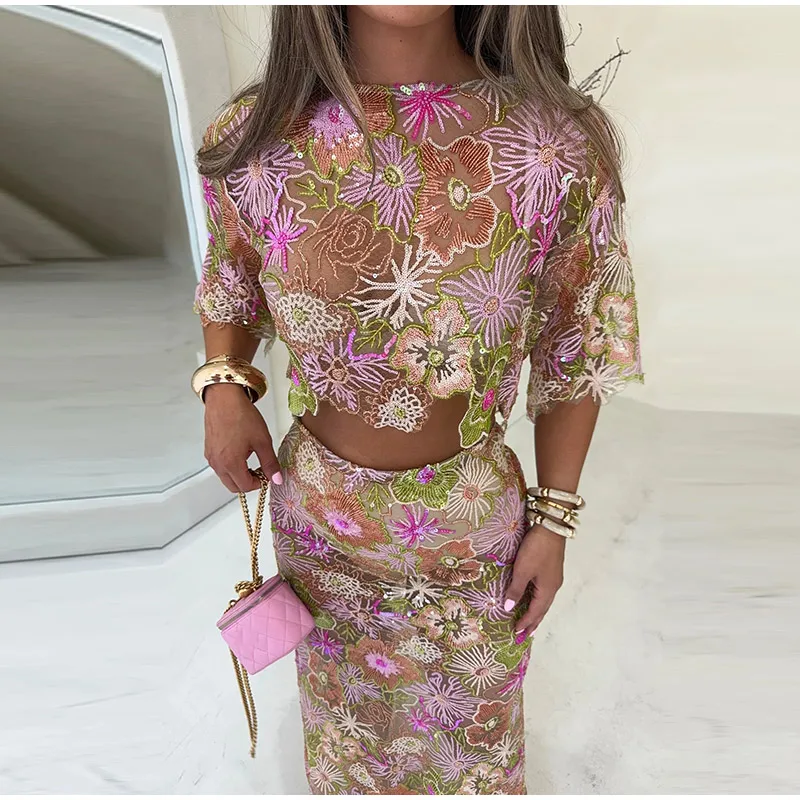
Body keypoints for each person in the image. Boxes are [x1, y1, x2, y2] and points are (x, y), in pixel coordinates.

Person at [192, 5, 642, 794]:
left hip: (470, 534)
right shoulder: (258, 139)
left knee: (473, 758)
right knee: (347, 750)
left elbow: (579, 341)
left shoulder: (555, 145)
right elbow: (231, 277)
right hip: (322, 523)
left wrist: (555, 519)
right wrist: (224, 387)